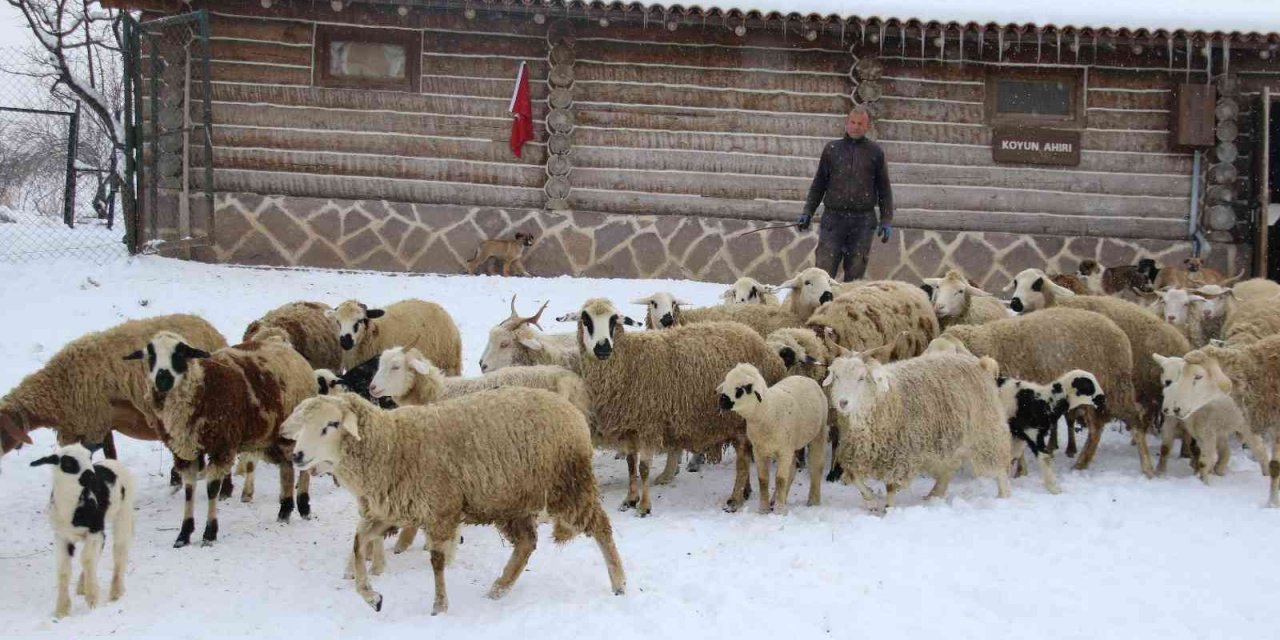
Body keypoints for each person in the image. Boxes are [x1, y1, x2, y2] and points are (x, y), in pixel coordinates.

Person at [796, 106, 894, 282]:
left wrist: (886, 219)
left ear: (867, 127)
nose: (856, 127)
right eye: (853, 122)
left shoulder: (875, 152)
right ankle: (823, 307)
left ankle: (849, 308)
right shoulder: (832, 149)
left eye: (860, 124)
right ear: (847, 123)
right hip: (833, 219)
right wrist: (807, 211)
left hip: (863, 221)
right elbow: (819, 183)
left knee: (856, 271)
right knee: (823, 271)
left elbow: (884, 189)